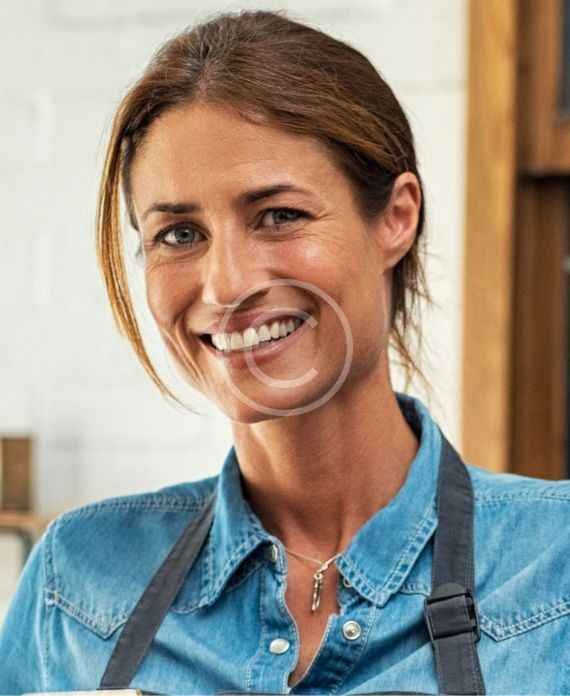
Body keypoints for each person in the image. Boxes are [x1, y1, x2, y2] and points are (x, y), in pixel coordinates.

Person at [1, 8, 570, 695]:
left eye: (279, 216)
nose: (226, 285)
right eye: (179, 234)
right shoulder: (74, 586)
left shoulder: (556, 564)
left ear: (396, 218)